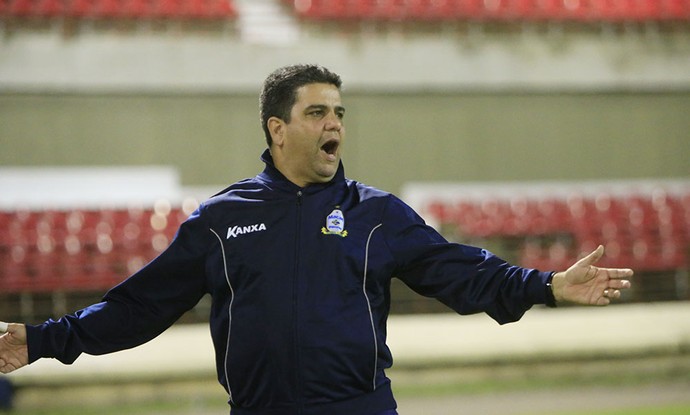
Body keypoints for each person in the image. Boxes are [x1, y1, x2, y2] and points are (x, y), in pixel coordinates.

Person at [0, 64, 632, 415]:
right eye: (317, 113)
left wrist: (546, 286)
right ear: (278, 128)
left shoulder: (377, 214)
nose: (335, 124)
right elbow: (141, 306)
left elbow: (462, 272)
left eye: (339, 114)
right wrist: (44, 340)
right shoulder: (221, 220)